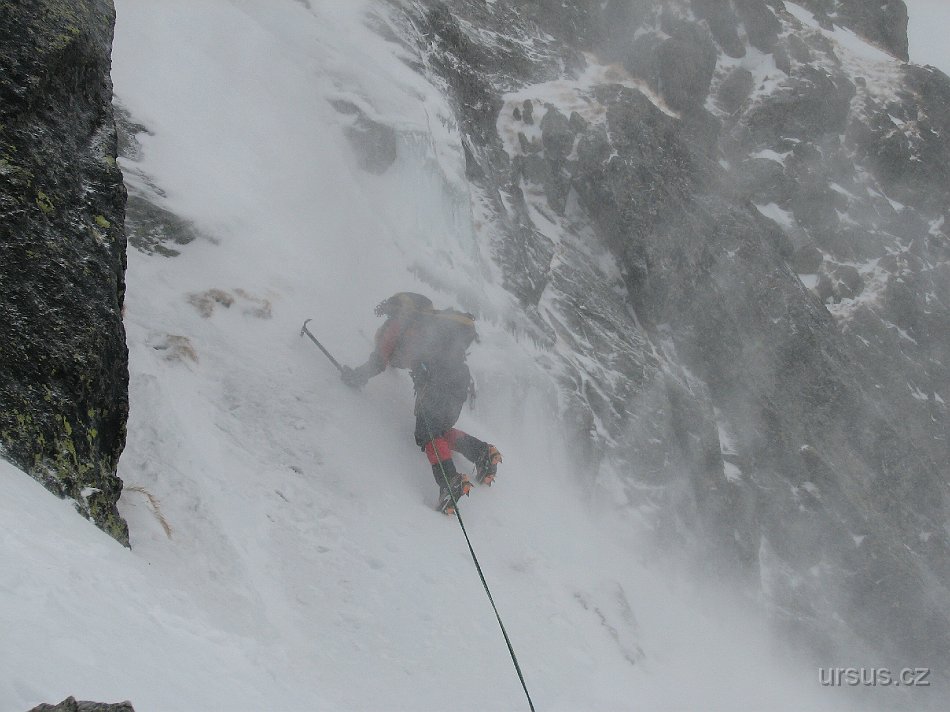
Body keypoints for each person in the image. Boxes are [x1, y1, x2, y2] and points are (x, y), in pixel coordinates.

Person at [340, 292, 502, 514]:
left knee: (427, 434)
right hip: (459, 379)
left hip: (436, 380)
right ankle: (482, 453)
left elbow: (379, 360)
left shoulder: (397, 326)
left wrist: (356, 376)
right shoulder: (429, 327)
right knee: (439, 430)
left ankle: (449, 480)